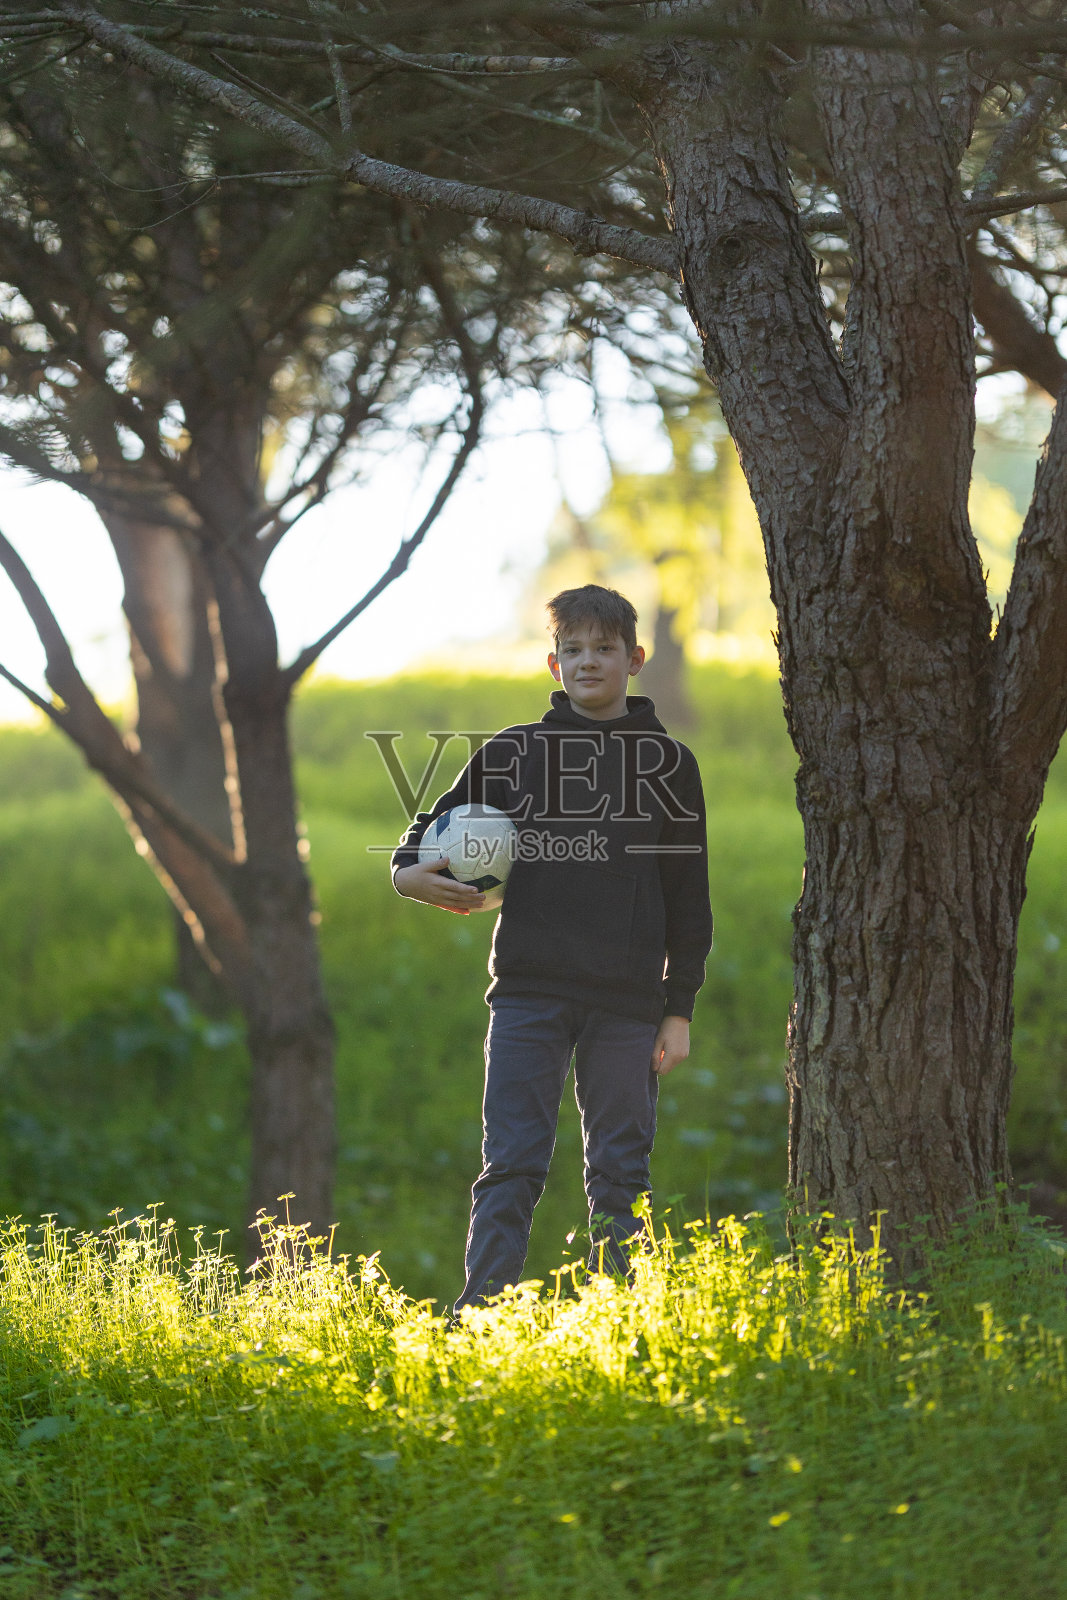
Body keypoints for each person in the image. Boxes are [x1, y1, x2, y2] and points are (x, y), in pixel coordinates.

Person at [390, 584, 713, 1311]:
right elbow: (429, 831)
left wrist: (679, 1008)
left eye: (604, 648)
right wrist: (408, 874)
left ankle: (615, 1319)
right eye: (573, 649)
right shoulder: (515, 752)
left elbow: (688, 896)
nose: (587, 661)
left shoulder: (669, 765)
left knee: (620, 1174)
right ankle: (482, 1319)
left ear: (634, 659)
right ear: (553, 662)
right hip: (527, 995)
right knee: (510, 1163)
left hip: (627, 1003)